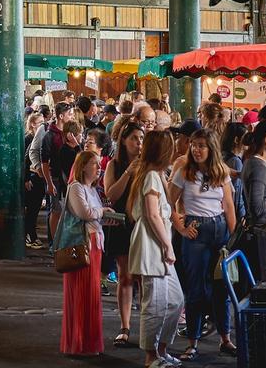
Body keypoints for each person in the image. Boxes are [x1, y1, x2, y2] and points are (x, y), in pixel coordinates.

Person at [169, 129, 237, 361]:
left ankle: (225, 338)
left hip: (220, 231)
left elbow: (228, 205)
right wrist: (180, 228)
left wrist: (233, 237)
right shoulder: (183, 172)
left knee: (222, 287)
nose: (196, 150)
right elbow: (167, 203)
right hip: (195, 233)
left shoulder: (221, 172)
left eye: (201, 146)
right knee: (196, 288)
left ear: (211, 149)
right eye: (194, 145)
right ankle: (193, 342)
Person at [128, 131, 184, 368]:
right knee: (155, 303)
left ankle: (160, 350)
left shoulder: (155, 174)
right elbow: (151, 214)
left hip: (157, 243)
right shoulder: (151, 175)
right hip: (153, 245)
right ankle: (151, 356)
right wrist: (168, 245)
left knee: (175, 300)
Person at [103, 121, 144, 348]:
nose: (138, 143)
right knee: (126, 276)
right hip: (121, 224)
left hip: (142, 224)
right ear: (124, 141)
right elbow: (112, 195)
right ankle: (125, 326)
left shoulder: (149, 165)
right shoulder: (114, 165)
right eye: (134, 139)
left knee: (143, 277)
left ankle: (146, 326)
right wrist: (129, 172)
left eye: (141, 139)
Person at [61, 151, 105, 357]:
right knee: (80, 293)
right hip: (81, 247)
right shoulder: (76, 188)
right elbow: (85, 213)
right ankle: (77, 342)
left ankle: (88, 342)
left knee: (92, 294)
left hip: (95, 244)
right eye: (95, 164)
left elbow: (93, 215)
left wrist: (104, 215)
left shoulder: (92, 189)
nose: (99, 168)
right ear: (83, 166)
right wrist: (103, 212)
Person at [41, 103, 78, 237]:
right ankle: (54, 243)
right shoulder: (49, 136)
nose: (72, 116)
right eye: (70, 114)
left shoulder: (70, 132)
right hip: (55, 177)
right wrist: (49, 183)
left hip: (70, 178)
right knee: (56, 210)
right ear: (61, 116)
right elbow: (44, 162)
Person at [22, 112, 46, 249]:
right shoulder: (28, 139)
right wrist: (26, 178)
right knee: (32, 209)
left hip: (36, 177)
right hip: (31, 177)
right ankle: (30, 236)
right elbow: (25, 159)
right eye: (39, 123)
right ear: (32, 124)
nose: (42, 126)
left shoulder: (40, 137)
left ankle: (30, 234)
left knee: (34, 209)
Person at [221, 122, 248, 224]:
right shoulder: (235, 162)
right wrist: (241, 216)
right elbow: (236, 194)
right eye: (245, 138)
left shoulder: (222, 155)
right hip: (232, 215)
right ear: (237, 140)